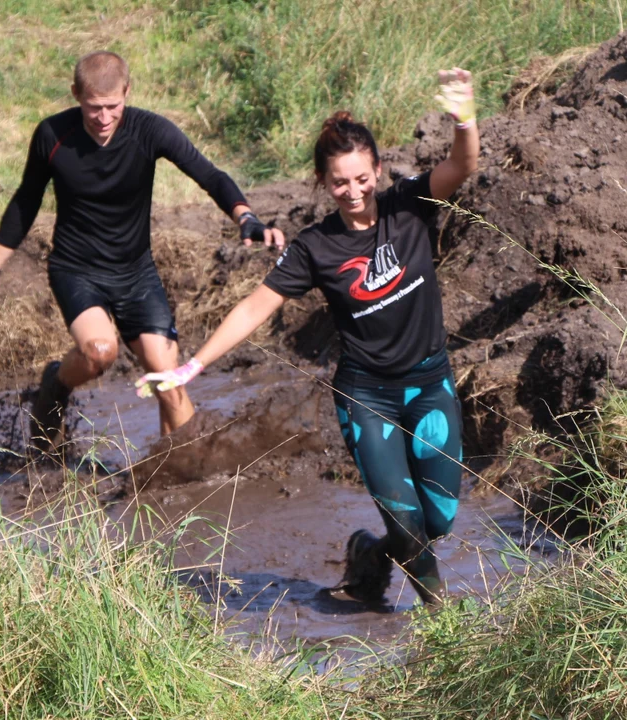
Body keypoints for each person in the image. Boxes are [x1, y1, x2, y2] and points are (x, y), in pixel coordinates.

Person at [135, 69, 479, 605]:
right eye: (340, 182)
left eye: (362, 178)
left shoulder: (409, 205)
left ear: (378, 170)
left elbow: (463, 164)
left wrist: (464, 118)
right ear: (323, 182)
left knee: (439, 520)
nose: (354, 191)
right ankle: (444, 622)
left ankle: (369, 554)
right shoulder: (315, 247)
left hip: (430, 385)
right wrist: (191, 366)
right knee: (410, 522)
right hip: (368, 397)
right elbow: (255, 306)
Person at [0, 51, 284, 457]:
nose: (104, 117)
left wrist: (246, 217)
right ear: (76, 94)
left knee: (168, 380)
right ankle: (57, 381)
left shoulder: (150, 130)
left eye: (114, 106)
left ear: (127, 92)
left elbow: (209, 174)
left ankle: (178, 472)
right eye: (94, 108)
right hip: (76, 270)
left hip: (136, 273)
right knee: (100, 352)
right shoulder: (52, 135)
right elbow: (26, 201)